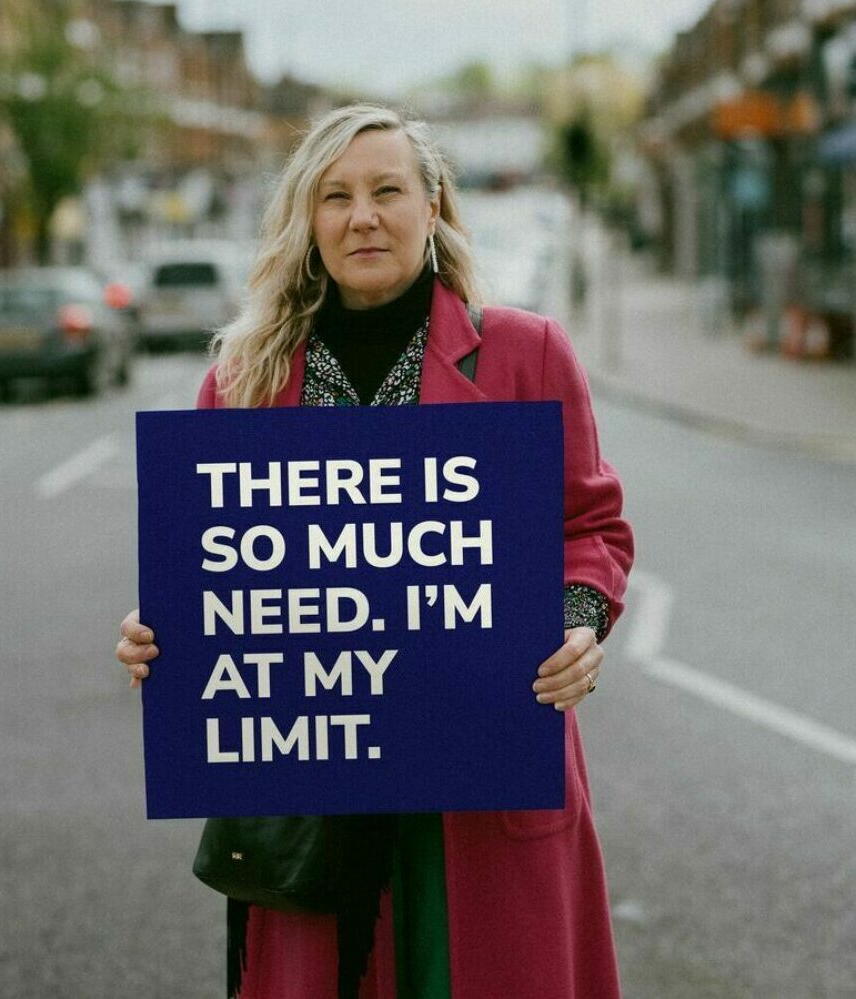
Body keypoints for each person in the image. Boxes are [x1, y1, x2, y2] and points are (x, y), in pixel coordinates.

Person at [115, 103, 634, 999]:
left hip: (481, 775)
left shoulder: (526, 353)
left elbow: (592, 527)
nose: (363, 216)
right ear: (307, 222)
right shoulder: (239, 384)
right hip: (313, 787)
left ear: (432, 207)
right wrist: (165, 635)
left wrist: (578, 623)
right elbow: (215, 574)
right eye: (336, 196)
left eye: (388, 190)